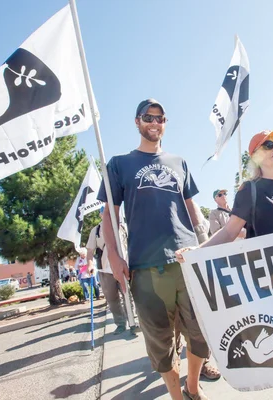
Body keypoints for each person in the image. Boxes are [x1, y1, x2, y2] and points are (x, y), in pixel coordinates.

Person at [177, 129, 273, 400]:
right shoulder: (249, 190)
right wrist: (198, 252)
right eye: (269, 144)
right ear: (256, 155)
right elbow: (229, 232)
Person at [98, 99, 215, 400]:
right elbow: (109, 217)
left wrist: (204, 246)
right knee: (161, 344)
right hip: (146, 267)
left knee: (202, 334)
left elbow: (192, 211)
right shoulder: (119, 164)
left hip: (187, 261)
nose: (155, 123)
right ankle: (177, 396)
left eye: (160, 118)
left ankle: (192, 387)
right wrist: (114, 256)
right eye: (148, 117)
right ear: (137, 122)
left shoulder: (179, 162)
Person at [86, 207, 130, 335]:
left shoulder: (123, 227)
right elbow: (90, 251)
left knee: (128, 296)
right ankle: (120, 324)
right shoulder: (96, 231)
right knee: (112, 298)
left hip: (123, 267)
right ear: (101, 215)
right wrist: (90, 265)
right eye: (104, 213)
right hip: (105, 270)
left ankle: (133, 321)